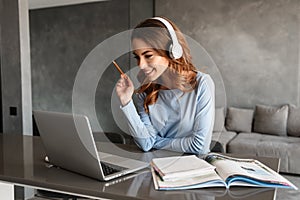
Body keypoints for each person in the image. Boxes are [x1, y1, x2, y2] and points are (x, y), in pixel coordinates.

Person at [115, 16, 215, 154]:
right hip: (156, 166)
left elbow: (200, 146)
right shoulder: (144, 91)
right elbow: (145, 143)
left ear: (172, 51)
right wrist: (126, 102)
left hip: (194, 169)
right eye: (137, 57)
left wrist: (156, 141)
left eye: (148, 55)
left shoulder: (202, 83)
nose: (141, 65)